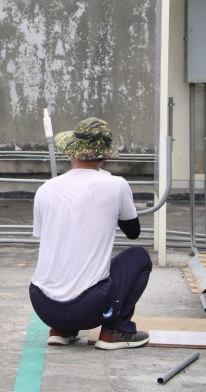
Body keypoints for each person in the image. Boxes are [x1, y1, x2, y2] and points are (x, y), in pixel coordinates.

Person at [29, 117, 153, 350]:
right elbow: (133, 232)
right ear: (105, 157)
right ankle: (115, 331)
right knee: (139, 258)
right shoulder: (115, 185)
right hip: (90, 307)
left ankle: (61, 330)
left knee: (68, 256)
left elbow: (49, 238)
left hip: (42, 304)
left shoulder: (45, 189)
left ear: (70, 153)